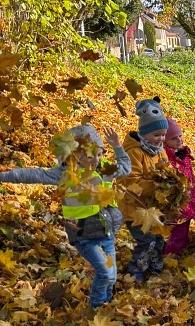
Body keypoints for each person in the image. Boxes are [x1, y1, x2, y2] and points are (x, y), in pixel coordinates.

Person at [0, 124, 130, 308]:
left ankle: (106, 303)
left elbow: (125, 168)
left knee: (111, 275)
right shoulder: (65, 174)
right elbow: (33, 174)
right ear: (76, 156)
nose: (97, 159)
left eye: (100, 154)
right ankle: (97, 306)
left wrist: (117, 146)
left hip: (106, 233)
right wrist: (4, 176)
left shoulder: (104, 169)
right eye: (91, 155)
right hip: (84, 235)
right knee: (106, 274)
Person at [119, 97, 170, 280]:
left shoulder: (160, 151)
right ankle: (136, 270)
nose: (161, 139)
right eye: (156, 135)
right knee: (146, 241)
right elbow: (131, 183)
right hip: (135, 208)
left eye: (163, 135)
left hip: (152, 207)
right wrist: (155, 185)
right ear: (144, 133)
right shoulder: (134, 152)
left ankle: (154, 265)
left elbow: (166, 171)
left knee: (158, 238)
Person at [163, 117, 195, 255]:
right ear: (164, 141)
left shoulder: (184, 154)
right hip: (176, 201)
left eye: (180, 136)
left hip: (189, 196)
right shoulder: (167, 158)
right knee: (176, 227)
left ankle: (183, 243)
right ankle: (171, 253)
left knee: (184, 224)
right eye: (174, 138)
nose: (179, 140)